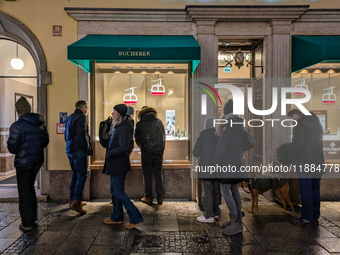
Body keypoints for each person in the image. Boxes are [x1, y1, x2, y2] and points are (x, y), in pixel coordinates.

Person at [7, 96, 49, 231]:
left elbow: (12, 148)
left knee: (24, 192)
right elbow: (45, 141)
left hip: (23, 163)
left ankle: (27, 222)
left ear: (17, 111)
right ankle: (33, 217)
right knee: (30, 188)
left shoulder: (17, 126)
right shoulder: (40, 123)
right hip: (36, 161)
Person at [103, 104, 143, 229]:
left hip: (119, 164)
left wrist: (111, 153)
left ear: (119, 113)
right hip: (114, 164)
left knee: (119, 192)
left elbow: (123, 147)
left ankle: (135, 217)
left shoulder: (124, 128)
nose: (112, 113)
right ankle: (117, 216)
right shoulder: (117, 126)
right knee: (114, 192)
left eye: (114, 111)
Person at [288, 109, 324, 225]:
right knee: (315, 189)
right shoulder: (317, 124)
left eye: (291, 120)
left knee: (306, 190)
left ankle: (307, 216)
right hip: (317, 162)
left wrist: (294, 159)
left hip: (305, 162)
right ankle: (315, 215)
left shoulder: (300, 125)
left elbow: (298, 145)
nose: (292, 122)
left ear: (294, 115)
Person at [214, 99, 244, 236]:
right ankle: (236, 220)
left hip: (228, 162)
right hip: (237, 161)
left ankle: (235, 222)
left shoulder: (227, 124)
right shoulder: (239, 123)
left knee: (225, 190)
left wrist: (216, 162)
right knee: (234, 188)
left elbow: (222, 146)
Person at [65, 100, 92, 214]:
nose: (87, 110)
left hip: (70, 149)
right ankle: (77, 202)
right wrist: (87, 149)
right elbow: (82, 135)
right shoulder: (81, 117)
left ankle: (72, 199)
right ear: (83, 108)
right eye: (87, 107)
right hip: (78, 150)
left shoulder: (70, 117)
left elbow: (66, 135)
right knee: (82, 175)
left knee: (75, 174)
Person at [135, 106, 165, 205]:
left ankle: (148, 197)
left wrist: (143, 148)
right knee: (158, 174)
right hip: (158, 152)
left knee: (147, 175)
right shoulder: (158, 122)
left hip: (146, 153)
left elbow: (137, 139)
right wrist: (161, 150)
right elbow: (163, 137)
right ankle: (160, 197)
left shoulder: (140, 124)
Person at [193, 118, 220, 223]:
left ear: (205, 126)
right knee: (216, 191)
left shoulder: (202, 138)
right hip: (217, 167)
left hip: (206, 167)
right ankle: (216, 213)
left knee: (207, 191)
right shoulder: (219, 137)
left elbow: (196, 153)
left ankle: (209, 215)